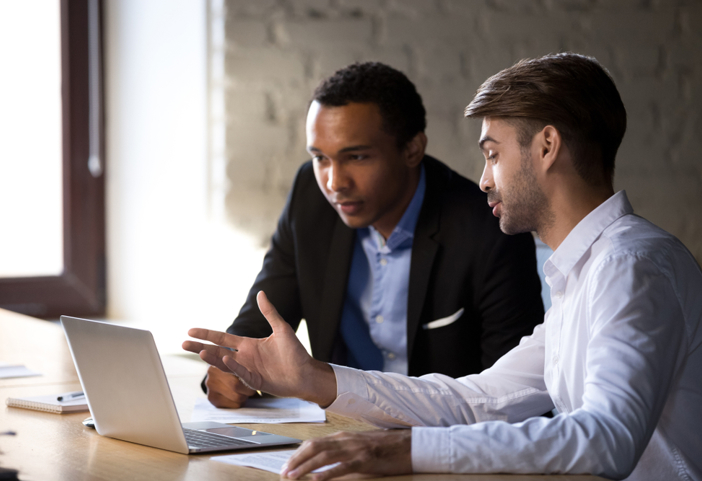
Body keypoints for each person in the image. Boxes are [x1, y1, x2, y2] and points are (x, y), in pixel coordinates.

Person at [184, 52, 702, 480]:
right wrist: (315, 378)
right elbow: (478, 397)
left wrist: (410, 451)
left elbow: (606, 441)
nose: (484, 178)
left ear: (547, 147)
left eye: (492, 154)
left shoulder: (632, 266)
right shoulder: (590, 271)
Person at [204, 62, 545, 409]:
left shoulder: (488, 229)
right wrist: (232, 366)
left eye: (357, 157)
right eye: (321, 158)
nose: (335, 183)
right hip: (338, 428)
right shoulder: (311, 196)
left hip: (441, 439)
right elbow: (264, 314)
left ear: (413, 149)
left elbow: (514, 398)